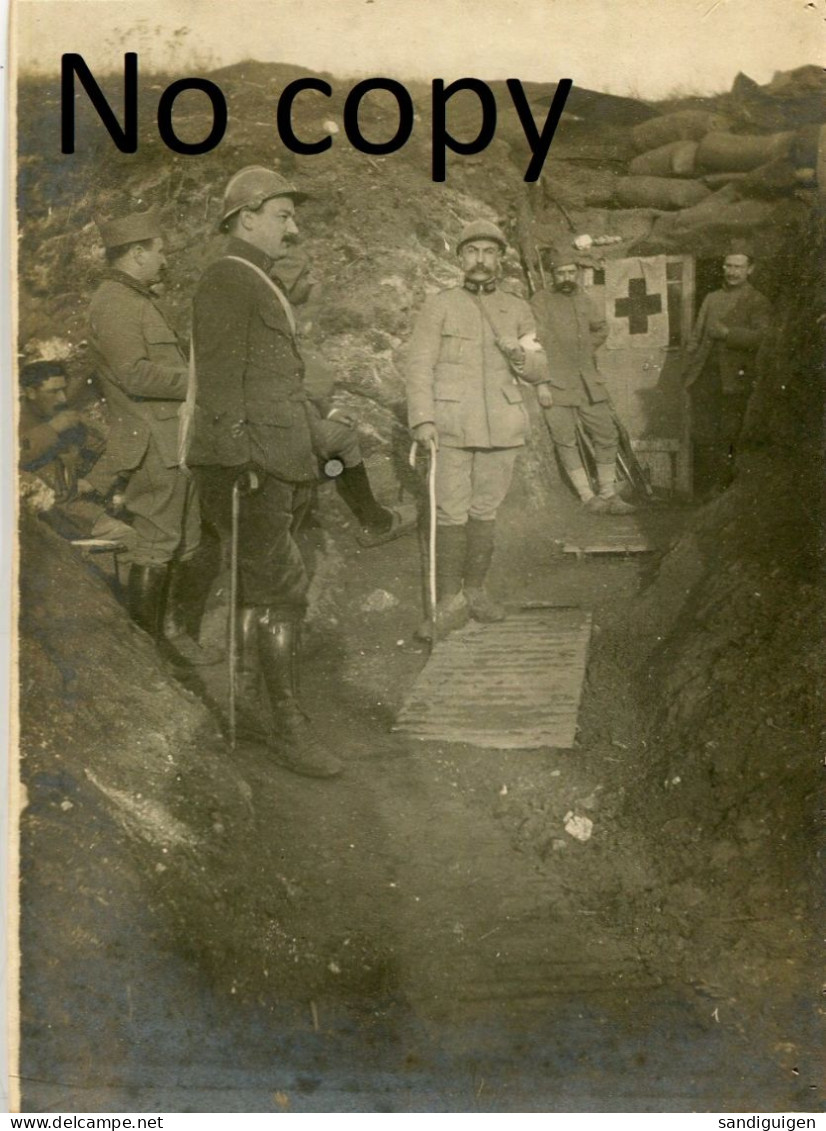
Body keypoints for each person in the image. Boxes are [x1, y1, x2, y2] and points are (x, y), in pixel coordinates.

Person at [188, 165, 392, 779]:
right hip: (251, 464)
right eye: (283, 215)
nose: (294, 229)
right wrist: (240, 459)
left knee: (260, 588)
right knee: (282, 593)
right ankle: (286, 724)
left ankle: (251, 703)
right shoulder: (229, 279)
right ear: (245, 217)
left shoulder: (253, 278)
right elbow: (221, 381)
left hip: (275, 456)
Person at [405, 218, 549, 639]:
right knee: (451, 511)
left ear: (500, 258)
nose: (480, 261)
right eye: (472, 252)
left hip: (502, 427)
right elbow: (419, 365)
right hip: (450, 425)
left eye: (488, 252)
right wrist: (423, 419)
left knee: (484, 510)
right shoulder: (440, 305)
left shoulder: (517, 308)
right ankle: (449, 602)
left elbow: (540, 368)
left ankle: (476, 591)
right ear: (460, 258)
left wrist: (519, 356)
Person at [87, 208, 218, 665]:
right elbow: (134, 375)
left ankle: (173, 638)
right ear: (137, 254)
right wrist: (199, 381)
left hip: (172, 439)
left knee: (186, 541)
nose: (165, 261)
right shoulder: (115, 304)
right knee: (158, 544)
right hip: (152, 444)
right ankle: (148, 652)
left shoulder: (136, 300)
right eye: (159, 252)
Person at [530, 250, 636, 515]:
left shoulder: (585, 299)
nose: (567, 278)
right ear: (552, 275)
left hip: (588, 381)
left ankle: (609, 494)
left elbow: (601, 328)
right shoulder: (540, 301)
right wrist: (545, 375)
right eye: (560, 273)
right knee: (565, 439)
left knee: (606, 434)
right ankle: (587, 496)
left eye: (570, 272)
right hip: (556, 380)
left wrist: (584, 348)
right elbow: (534, 339)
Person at [683, 239, 771, 498]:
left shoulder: (757, 301)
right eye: (728, 265)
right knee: (703, 434)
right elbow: (696, 336)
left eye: (738, 267)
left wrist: (728, 333)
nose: (732, 272)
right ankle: (711, 487)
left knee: (730, 435)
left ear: (750, 270)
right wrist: (688, 368)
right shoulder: (712, 298)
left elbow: (763, 338)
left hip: (736, 379)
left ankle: (727, 490)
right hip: (706, 377)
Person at [18, 357, 135, 546]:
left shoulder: (66, 417)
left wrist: (94, 481)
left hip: (74, 510)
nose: (62, 398)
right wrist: (52, 429)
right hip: (39, 514)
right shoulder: (11, 417)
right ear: (31, 392)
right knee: (127, 539)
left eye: (64, 390)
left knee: (132, 536)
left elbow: (116, 447)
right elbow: (14, 456)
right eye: (54, 391)